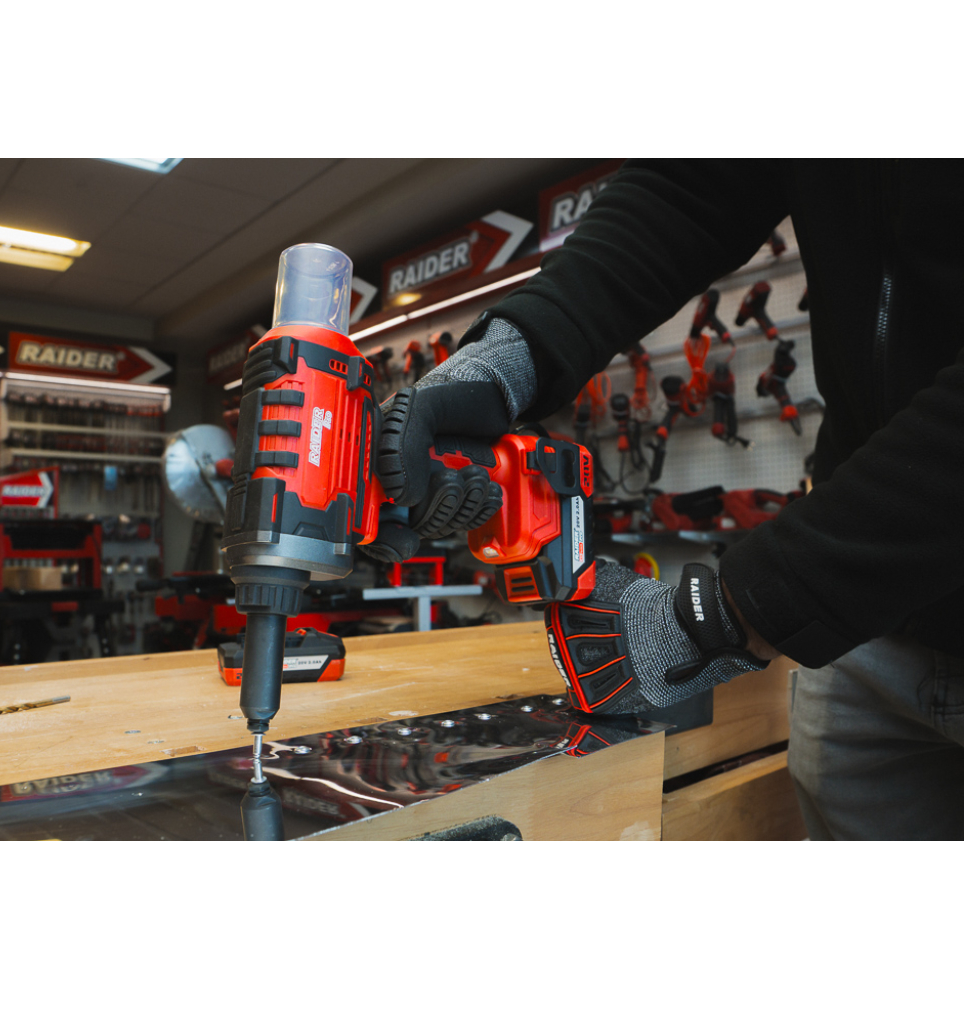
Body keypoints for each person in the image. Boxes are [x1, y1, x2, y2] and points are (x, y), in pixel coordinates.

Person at [366, 159, 964, 841]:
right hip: (863, 637)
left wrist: (727, 616)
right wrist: (500, 363)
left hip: (853, 584)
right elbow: (689, 189)